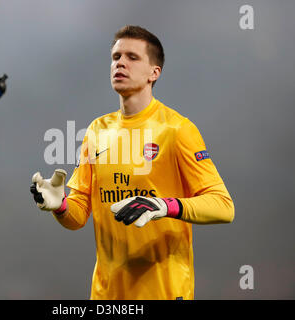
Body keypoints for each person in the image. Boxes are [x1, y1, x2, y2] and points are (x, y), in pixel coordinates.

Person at [30, 25, 234, 300]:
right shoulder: (96, 130)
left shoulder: (177, 129)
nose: (120, 63)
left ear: (154, 73)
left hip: (164, 291)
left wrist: (165, 206)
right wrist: (61, 205)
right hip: (107, 294)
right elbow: (78, 217)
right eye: (116, 57)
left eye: (132, 57)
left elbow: (224, 206)